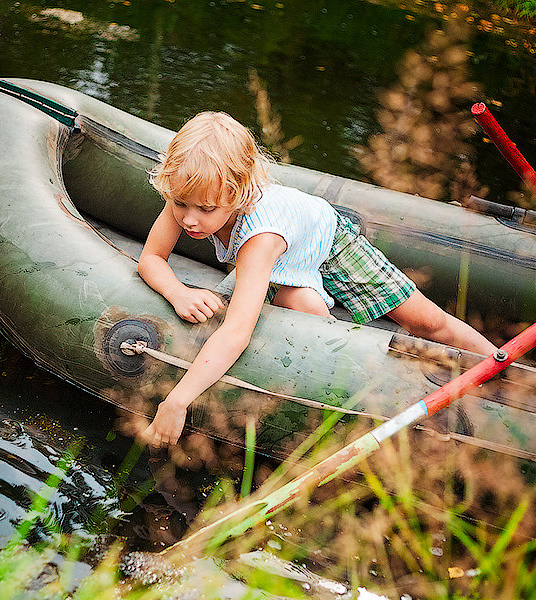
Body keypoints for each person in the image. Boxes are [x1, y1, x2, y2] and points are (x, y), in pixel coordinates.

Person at [137, 111, 497, 447]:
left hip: (330, 246)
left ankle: (498, 367)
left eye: (205, 209)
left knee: (427, 321)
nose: (189, 219)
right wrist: (177, 292)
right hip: (284, 263)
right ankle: (358, 386)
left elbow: (236, 332)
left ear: (237, 195)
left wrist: (178, 400)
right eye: (182, 204)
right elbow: (151, 259)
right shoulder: (187, 198)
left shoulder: (259, 241)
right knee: (308, 318)